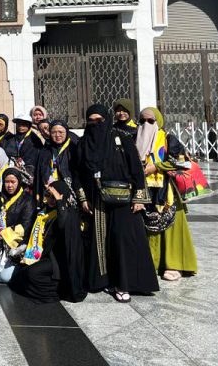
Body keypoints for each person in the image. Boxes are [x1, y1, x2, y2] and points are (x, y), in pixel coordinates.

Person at [76, 104, 159, 302]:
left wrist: (139, 197)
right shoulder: (83, 144)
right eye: (91, 121)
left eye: (99, 121)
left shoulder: (121, 139)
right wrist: (83, 198)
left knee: (124, 240)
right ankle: (104, 280)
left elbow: (136, 169)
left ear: (107, 119)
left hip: (124, 199)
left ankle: (125, 283)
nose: (95, 124)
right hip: (97, 201)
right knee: (102, 241)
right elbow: (77, 172)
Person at [135, 107, 197, 281]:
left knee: (170, 226)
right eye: (142, 121)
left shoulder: (168, 139)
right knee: (148, 226)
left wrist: (156, 167)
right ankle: (153, 263)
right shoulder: (135, 139)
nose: (145, 125)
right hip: (144, 190)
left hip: (166, 190)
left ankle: (174, 264)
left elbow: (182, 162)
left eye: (150, 121)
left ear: (159, 121)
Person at [10, 180, 87, 303]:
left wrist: (60, 201)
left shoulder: (70, 214)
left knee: (31, 274)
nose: (51, 199)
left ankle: (59, 290)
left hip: (57, 259)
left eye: (53, 197)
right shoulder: (44, 212)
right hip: (42, 254)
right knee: (20, 275)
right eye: (48, 195)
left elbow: (63, 226)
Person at [33, 120, 83, 206]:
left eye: (61, 132)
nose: (57, 135)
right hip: (49, 194)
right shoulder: (45, 150)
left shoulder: (73, 148)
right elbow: (38, 174)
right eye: (53, 132)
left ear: (66, 132)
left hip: (69, 194)